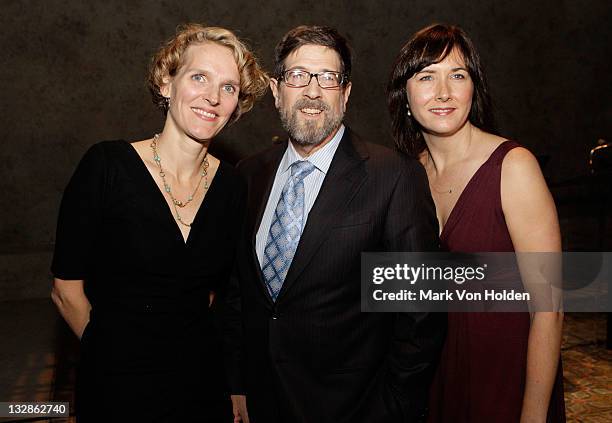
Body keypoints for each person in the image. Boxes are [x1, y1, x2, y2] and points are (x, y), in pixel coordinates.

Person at [220, 25, 446, 423]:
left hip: (354, 407)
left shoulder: (393, 177)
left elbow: (420, 311)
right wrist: (237, 381)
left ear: (345, 93)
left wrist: (393, 406)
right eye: (297, 76)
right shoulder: (248, 175)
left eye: (328, 78)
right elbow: (239, 292)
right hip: (262, 400)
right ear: (276, 91)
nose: (312, 91)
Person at [50, 23, 268, 421]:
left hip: (200, 383)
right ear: (167, 83)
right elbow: (66, 290)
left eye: (229, 87)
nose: (213, 97)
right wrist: (111, 353)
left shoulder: (233, 186)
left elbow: (216, 295)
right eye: (199, 77)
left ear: (237, 105)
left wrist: (233, 382)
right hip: (115, 383)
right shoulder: (107, 166)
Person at [387, 23, 565, 422]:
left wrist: (533, 417)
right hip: (439, 379)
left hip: (507, 381)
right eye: (427, 76)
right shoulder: (407, 176)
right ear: (405, 94)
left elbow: (549, 309)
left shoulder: (513, 167)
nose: (444, 92)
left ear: (474, 87)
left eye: (458, 75)